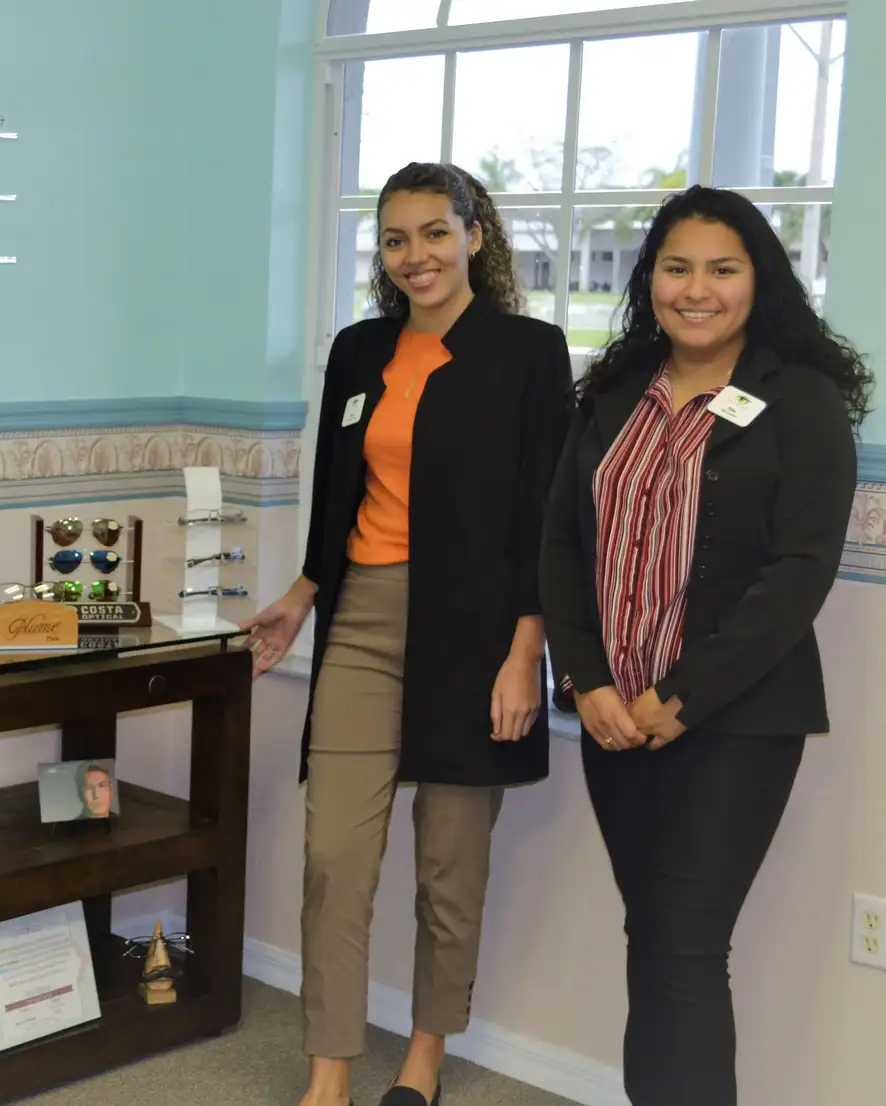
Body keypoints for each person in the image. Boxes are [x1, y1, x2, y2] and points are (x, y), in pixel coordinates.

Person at [241, 162, 574, 1106]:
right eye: (395, 239)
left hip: (477, 631)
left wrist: (525, 652)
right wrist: (304, 591)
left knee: (449, 861)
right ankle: (329, 1072)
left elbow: (540, 512)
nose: (415, 256)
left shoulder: (528, 350)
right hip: (362, 617)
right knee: (335, 856)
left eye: (435, 232)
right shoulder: (357, 350)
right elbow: (338, 491)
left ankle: (424, 1058)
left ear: (475, 234)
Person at [539, 186, 868, 1105]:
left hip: (733, 722)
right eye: (677, 268)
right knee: (656, 939)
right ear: (651, 281)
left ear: (759, 281)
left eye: (723, 269)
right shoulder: (613, 391)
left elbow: (798, 575)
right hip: (613, 717)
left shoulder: (801, 402)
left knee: (682, 945)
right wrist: (589, 680)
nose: (698, 289)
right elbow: (563, 542)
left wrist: (676, 699)